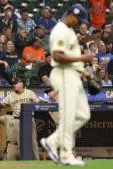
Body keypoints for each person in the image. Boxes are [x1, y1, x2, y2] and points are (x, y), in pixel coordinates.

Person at [40, 4, 94, 166]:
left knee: (83, 114)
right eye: (78, 19)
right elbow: (57, 55)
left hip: (73, 75)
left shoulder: (70, 30)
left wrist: (85, 73)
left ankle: (52, 141)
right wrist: (82, 59)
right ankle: (65, 154)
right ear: (72, 15)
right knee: (68, 115)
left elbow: (72, 57)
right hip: (62, 74)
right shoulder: (60, 30)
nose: (79, 23)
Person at [0, 77, 40, 160]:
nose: (14, 85)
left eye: (15, 83)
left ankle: (37, 161)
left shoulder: (30, 93)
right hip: (17, 120)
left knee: (33, 142)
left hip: (29, 119)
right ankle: (25, 162)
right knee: (20, 143)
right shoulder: (10, 96)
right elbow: (0, 105)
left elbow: (38, 104)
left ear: (21, 83)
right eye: (13, 84)